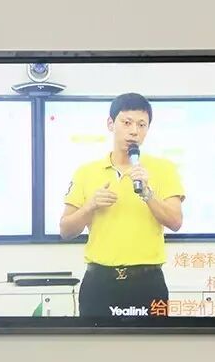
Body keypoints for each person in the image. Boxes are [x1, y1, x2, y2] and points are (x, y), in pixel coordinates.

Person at [59, 93, 185, 317]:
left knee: (153, 341)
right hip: (99, 282)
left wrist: (147, 194)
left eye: (141, 125)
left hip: (147, 282)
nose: (134, 131)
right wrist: (90, 206)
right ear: (111, 124)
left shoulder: (164, 169)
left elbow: (175, 222)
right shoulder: (86, 172)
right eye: (127, 122)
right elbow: (65, 230)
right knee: (95, 341)